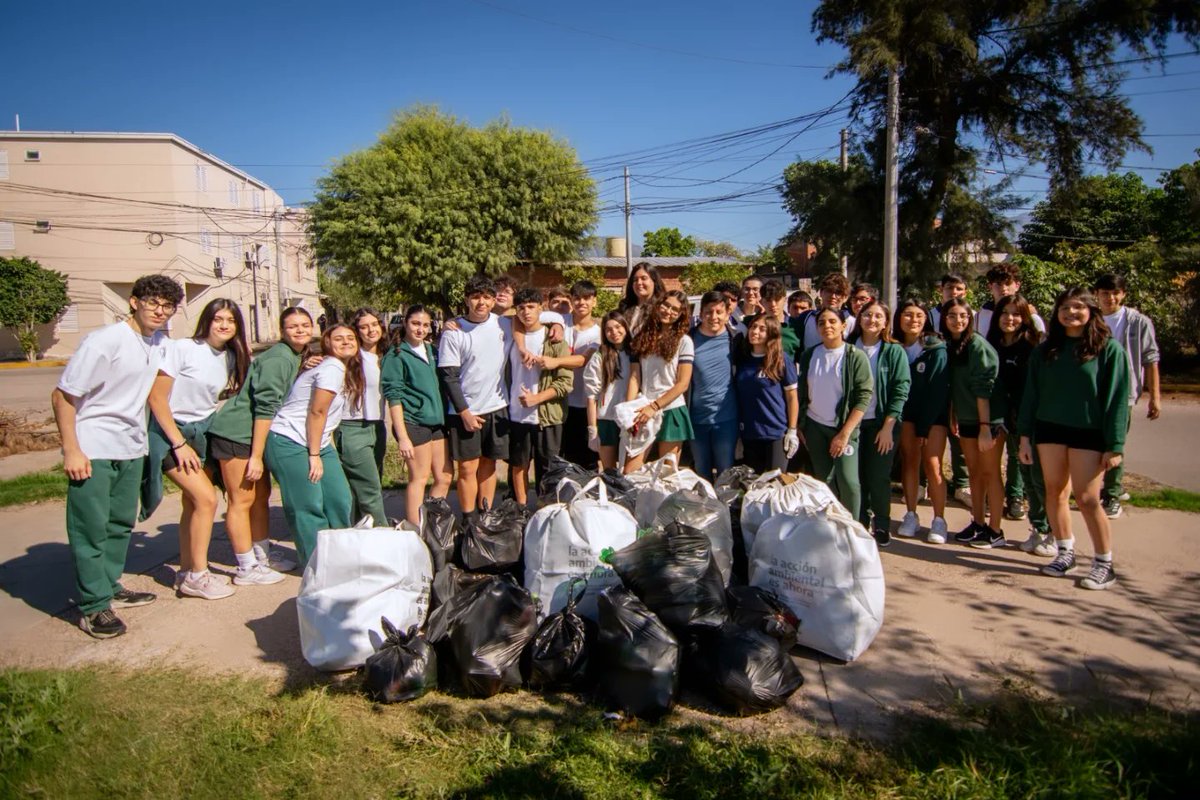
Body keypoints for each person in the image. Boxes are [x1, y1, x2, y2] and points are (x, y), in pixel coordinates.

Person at [52, 275, 183, 638]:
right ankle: (93, 607)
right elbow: (63, 396)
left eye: (167, 306)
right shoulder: (105, 340)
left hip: (130, 446)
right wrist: (72, 448)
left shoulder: (158, 343)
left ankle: (109, 586)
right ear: (134, 302)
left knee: (119, 524)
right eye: (153, 302)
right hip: (93, 446)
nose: (159, 310)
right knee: (90, 528)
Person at [1019, 287, 1130, 590]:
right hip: (1049, 429)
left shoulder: (1109, 349)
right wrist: (1025, 436)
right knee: (1054, 491)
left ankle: (1104, 563)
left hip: (1089, 432)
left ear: (1091, 311)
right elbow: (1031, 395)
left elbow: (1118, 400)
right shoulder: (1045, 349)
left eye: (1078, 307)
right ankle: (1065, 552)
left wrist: (1114, 444)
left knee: (1087, 498)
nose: (1071, 313)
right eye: (1065, 308)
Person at [144, 297, 250, 600]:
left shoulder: (230, 356)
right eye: (219, 319)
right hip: (169, 433)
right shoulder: (182, 349)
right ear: (208, 320)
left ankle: (187, 570)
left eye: (231, 321)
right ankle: (199, 577)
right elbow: (156, 399)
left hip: (200, 433)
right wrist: (178, 443)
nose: (225, 325)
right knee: (206, 500)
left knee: (192, 503)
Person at [208, 307, 313, 583]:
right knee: (241, 500)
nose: (300, 330)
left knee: (261, 497)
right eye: (293, 326)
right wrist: (256, 456)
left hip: (254, 436)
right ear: (282, 331)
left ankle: (262, 554)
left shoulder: (295, 355)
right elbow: (265, 407)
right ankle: (246, 567)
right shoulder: (279, 357)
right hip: (237, 434)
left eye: (305, 325)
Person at [265, 324, 361, 566]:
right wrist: (314, 454)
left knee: (339, 498)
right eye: (338, 338)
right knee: (308, 505)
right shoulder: (331, 367)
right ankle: (317, 566)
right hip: (291, 440)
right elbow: (317, 411)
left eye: (350, 337)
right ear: (327, 343)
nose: (346, 341)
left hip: (316, 441)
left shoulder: (343, 369)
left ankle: (341, 557)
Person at [438, 275, 510, 518]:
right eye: (476, 297)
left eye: (487, 297)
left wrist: (556, 325)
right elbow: (449, 377)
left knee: (489, 466)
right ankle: (469, 520)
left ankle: (485, 514)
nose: (482, 302)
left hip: (497, 406)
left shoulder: (504, 325)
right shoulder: (454, 332)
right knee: (468, 468)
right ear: (467, 299)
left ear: (493, 300)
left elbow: (541, 318)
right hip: (465, 412)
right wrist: (464, 412)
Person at [986, 295, 1053, 557]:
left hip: (1029, 421)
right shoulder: (991, 345)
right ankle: (1037, 528)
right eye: (1005, 313)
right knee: (1023, 475)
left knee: (1036, 477)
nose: (1010, 319)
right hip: (1000, 419)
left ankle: (1049, 531)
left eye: (1016, 314)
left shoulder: (1034, 347)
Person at [1094, 273, 1161, 519]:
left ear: (1123, 294)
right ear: (1097, 295)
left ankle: (1111, 494)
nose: (1110, 298)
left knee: (1115, 441)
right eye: (1105, 293)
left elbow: (1151, 359)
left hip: (1124, 393)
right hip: (1093, 392)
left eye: (1115, 293)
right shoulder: (1091, 319)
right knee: (1092, 442)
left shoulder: (1138, 322)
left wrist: (1155, 396)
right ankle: (1103, 487)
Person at [942, 298, 1007, 548]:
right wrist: (954, 414)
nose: (957, 320)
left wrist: (984, 428)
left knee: (991, 474)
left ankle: (996, 529)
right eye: (951, 316)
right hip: (967, 419)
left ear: (970, 318)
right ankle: (978, 522)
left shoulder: (978, 346)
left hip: (987, 421)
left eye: (962, 316)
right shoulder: (953, 346)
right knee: (975, 474)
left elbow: (984, 390)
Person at [796, 307, 873, 515]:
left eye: (832, 321)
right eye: (821, 322)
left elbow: (863, 397)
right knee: (824, 481)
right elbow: (802, 391)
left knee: (849, 482)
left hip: (843, 429)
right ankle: (831, 526)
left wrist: (845, 433)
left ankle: (855, 529)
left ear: (843, 326)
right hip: (815, 426)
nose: (827, 326)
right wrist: (800, 424)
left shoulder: (855, 356)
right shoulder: (810, 355)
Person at [381, 305, 453, 526]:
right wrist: (402, 436)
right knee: (419, 478)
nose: (420, 329)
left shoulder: (433, 351)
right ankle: (415, 528)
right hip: (414, 423)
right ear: (405, 323)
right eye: (415, 323)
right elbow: (394, 397)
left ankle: (432, 520)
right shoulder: (397, 354)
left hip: (437, 423)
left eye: (425, 324)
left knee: (444, 477)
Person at [849, 301, 910, 548]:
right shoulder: (849, 348)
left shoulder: (894, 351)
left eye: (878, 316)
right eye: (867, 315)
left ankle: (882, 524)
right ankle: (861, 521)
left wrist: (888, 427)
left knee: (878, 476)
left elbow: (901, 389)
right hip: (853, 424)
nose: (872, 320)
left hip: (882, 424)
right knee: (856, 477)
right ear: (859, 317)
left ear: (886, 322)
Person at [506, 288, 572, 505]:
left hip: (547, 416)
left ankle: (546, 510)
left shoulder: (555, 339)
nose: (526, 312)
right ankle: (522, 510)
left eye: (531, 307)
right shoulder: (510, 335)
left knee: (549, 470)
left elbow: (564, 383)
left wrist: (538, 398)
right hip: (517, 414)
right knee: (518, 465)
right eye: (522, 308)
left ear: (541, 309)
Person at [894, 300, 951, 543]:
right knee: (909, 462)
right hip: (906, 415)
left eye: (919, 315)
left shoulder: (936, 348)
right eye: (907, 315)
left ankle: (939, 520)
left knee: (933, 465)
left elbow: (938, 389)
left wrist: (926, 425)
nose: (913, 320)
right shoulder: (894, 346)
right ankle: (911, 514)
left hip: (933, 417)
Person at [625, 290, 695, 471]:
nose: (668, 311)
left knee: (667, 473)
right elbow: (634, 377)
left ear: (681, 315)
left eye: (675, 310)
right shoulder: (642, 336)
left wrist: (655, 406)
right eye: (666, 305)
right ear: (658, 305)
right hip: (642, 409)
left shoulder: (684, 341)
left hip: (671, 410)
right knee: (630, 472)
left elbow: (682, 383)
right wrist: (630, 410)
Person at [335, 308, 388, 526]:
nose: (370, 330)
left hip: (377, 427)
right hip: (353, 427)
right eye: (364, 327)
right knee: (370, 492)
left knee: (364, 490)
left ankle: (358, 536)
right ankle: (385, 539)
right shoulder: (349, 356)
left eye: (374, 324)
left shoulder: (384, 356)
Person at [734, 315, 800, 473]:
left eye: (762, 329)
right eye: (753, 327)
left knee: (774, 485)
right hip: (749, 433)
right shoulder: (742, 360)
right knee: (753, 486)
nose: (754, 331)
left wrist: (792, 430)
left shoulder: (781, 360)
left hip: (775, 432)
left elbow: (792, 397)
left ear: (771, 334)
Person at [688, 292, 739, 483]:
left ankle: (727, 510)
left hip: (726, 418)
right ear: (701, 314)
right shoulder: (688, 340)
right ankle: (707, 511)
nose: (714, 317)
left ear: (727, 314)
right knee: (701, 473)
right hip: (696, 418)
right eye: (709, 312)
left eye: (719, 312)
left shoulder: (736, 340)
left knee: (726, 472)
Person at [584, 311, 633, 471]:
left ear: (625, 327)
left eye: (618, 327)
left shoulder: (636, 354)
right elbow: (591, 396)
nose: (614, 332)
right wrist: (593, 429)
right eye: (608, 329)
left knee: (630, 471)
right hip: (606, 418)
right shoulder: (600, 356)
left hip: (630, 419)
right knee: (609, 471)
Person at [560, 281, 602, 468]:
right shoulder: (561, 322)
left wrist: (553, 361)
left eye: (586, 298)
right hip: (560, 401)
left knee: (588, 459)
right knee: (562, 458)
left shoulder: (599, 333)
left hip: (586, 404)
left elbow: (583, 360)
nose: (581, 302)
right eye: (576, 298)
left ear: (594, 301)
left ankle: (589, 496)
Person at [976, 263, 1046, 336]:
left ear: (1017, 286)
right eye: (998, 284)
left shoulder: (1031, 318)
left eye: (1008, 283)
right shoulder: (979, 318)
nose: (1004, 289)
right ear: (990, 287)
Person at [792, 272, 856, 350]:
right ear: (821, 293)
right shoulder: (806, 318)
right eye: (829, 291)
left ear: (846, 297)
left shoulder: (853, 323)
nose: (833, 296)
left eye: (838, 293)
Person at [754, 279, 800, 359]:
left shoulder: (796, 326)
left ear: (785, 300)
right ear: (761, 301)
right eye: (768, 300)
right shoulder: (752, 325)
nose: (773, 304)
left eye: (777, 299)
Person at [618, 262, 666, 337]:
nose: (639, 283)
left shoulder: (662, 309)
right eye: (635, 280)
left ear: (654, 281)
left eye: (644, 278)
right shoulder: (624, 308)